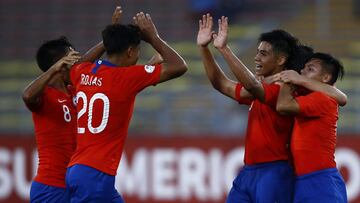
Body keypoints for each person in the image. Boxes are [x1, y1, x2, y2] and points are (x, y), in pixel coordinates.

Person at [197, 13, 347, 202]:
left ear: (281, 60)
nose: (257, 57)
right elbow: (221, 84)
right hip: (249, 171)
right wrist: (204, 48)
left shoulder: (283, 91)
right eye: (258, 52)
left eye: (263, 53)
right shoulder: (268, 89)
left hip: (275, 172)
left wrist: (224, 49)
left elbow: (254, 86)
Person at [65, 12, 187, 202]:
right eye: (138, 51)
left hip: (78, 170)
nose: (138, 57)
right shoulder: (127, 78)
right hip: (96, 175)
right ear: (130, 51)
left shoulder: (84, 72)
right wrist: (153, 38)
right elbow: (179, 66)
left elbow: (80, 67)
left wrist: (110, 38)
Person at [23, 7, 123, 203]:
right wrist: (55, 69)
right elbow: (27, 96)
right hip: (51, 187)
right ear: (60, 64)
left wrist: (107, 40)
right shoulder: (43, 96)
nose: (78, 60)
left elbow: (84, 63)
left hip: (76, 184)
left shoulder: (74, 89)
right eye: (72, 56)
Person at [276, 53, 347, 203]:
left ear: (326, 78)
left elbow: (283, 106)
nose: (302, 72)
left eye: (310, 69)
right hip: (305, 180)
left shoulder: (323, 98)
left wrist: (291, 80)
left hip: (320, 182)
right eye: (303, 69)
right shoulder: (313, 96)